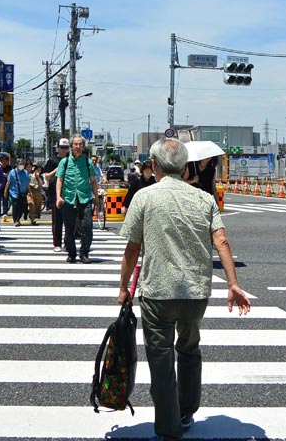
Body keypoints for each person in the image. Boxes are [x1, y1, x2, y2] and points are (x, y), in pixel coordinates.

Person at [118, 138, 250, 440]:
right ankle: (186, 411)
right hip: (195, 293)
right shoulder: (204, 199)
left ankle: (168, 428)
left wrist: (124, 287)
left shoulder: (144, 197)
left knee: (161, 359)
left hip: (157, 294)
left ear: (155, 165)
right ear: (182, 165)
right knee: (189, 349)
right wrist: (233, 284)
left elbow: (132, 249)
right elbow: (221, 241)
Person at [55, 134, 99, 264]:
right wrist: (58, 196)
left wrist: (96, 197)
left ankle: (84, 252)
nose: (78, 147)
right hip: (68, 198)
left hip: (85, 198)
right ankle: (72, 253)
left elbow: (93, 181)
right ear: (71, 146)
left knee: (87, 226)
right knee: (69, 228)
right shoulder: (65, 162)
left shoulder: (87, 162)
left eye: (80, 144)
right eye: (75, 144)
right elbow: (59, 180)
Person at [44, 139, 70, 252]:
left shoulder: (72, 160)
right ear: (58, 148)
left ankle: (67, 242)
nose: (64, 150)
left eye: (66, 147)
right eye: (62, 147)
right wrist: (58, 168)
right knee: (57, 219)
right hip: (55, 192)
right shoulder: (52, 160)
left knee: (70, 219)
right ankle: (57, 243)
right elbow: (47, 176)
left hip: (69, 191)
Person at [5, 158, 31, 226]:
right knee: (16, 206)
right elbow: (8, 182)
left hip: (23, 193)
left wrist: (30, 191)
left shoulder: (25, 172)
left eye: (23, 164)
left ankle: (20, 217)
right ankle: (16, 220)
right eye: (20, 164)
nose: (21, 165)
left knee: (23, 206)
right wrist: (5, 191)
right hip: (14, 193)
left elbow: (27, 183)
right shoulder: (12, 172)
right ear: (16, 165)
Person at [0, 153, 13, 219]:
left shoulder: (9, 168)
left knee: (5, 199)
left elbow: (8, 175)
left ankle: (5, 212)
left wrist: (4, 174)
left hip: (6, 185)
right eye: (2, 161)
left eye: (5, 161)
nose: (3, 163)